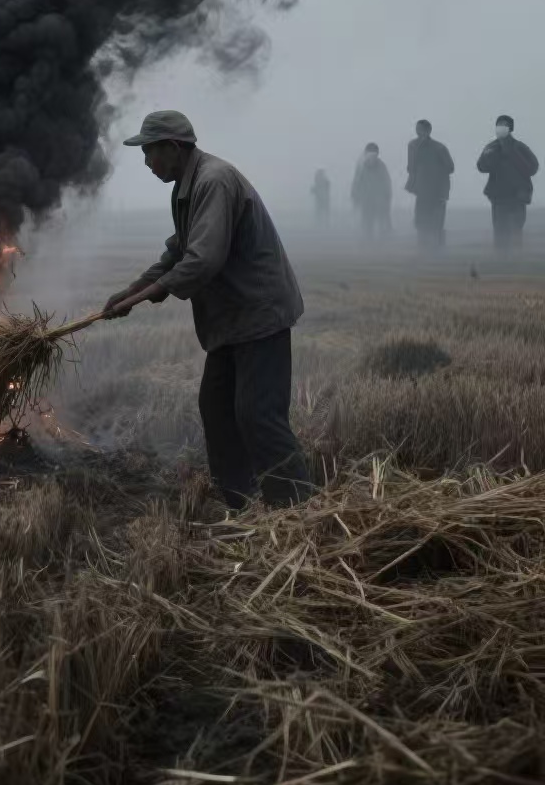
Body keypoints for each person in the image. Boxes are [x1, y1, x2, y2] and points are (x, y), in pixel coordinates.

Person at [103, 111, 311, 509]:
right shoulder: (186, 186)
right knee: (217, 409)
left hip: (258, 313)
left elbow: (202, 259)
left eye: (150, 152)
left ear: (174, 148)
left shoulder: (213, 181)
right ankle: (240, 501)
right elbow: (179, 250)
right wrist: (134, 289)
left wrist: (153, 293)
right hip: (232, 320)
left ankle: (298, 509)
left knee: (258, 415)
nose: (147, 162)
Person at [477, 116, 539, 250]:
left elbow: (532, 168)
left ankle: (516, 261)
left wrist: (512, 153)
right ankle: (500, 260)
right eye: (498, 125)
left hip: (518, 196)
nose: (500, 128)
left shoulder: (520, 147)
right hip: (499, 197)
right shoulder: (491, 147)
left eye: (504, 125)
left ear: (510, 128)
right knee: (500, 230)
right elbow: (481, 166)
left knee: (516, 229)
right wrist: (492, 154)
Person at [406, 120, 454, 248]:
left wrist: (434, 171)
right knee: (421, 222)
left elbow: (450, 167)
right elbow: (410, 168)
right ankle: (423, 249)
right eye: (417, 129)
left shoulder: (439, 148)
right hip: (422, 191)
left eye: (421, 129)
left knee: (437, 223)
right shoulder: (412, 146)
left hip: (438, 191)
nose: (418, 132)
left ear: (428, 131)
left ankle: (439, 251)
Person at [351, 143, 392, 240]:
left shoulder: (381, 166)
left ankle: (381, 242)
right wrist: (355, 196)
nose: (372, 158)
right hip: (367, 200)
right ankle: (369, 242)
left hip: (379, 200)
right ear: (366, 154)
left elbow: (387, 183)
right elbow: (356, 182)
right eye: (370, 155)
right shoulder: (361, 167)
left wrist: (387, 197)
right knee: (367, 223)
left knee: (381, 222)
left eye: (374, 155)